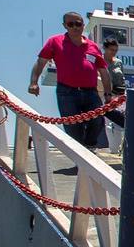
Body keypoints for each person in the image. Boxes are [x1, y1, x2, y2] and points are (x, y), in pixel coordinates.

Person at [28, 11, 111, 147]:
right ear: (64, 25)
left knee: (97, 120)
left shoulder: (93, 46)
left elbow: (104, 71)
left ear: (83, 25)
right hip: (67, 92)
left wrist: (108, 94)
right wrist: (33, 82)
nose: (75, 27)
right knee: (72, 126)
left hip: (90, 92)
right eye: (70, 24)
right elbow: (40, 62)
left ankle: (89, 146)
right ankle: (80, 154)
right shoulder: (55, 41)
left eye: (78, 24)